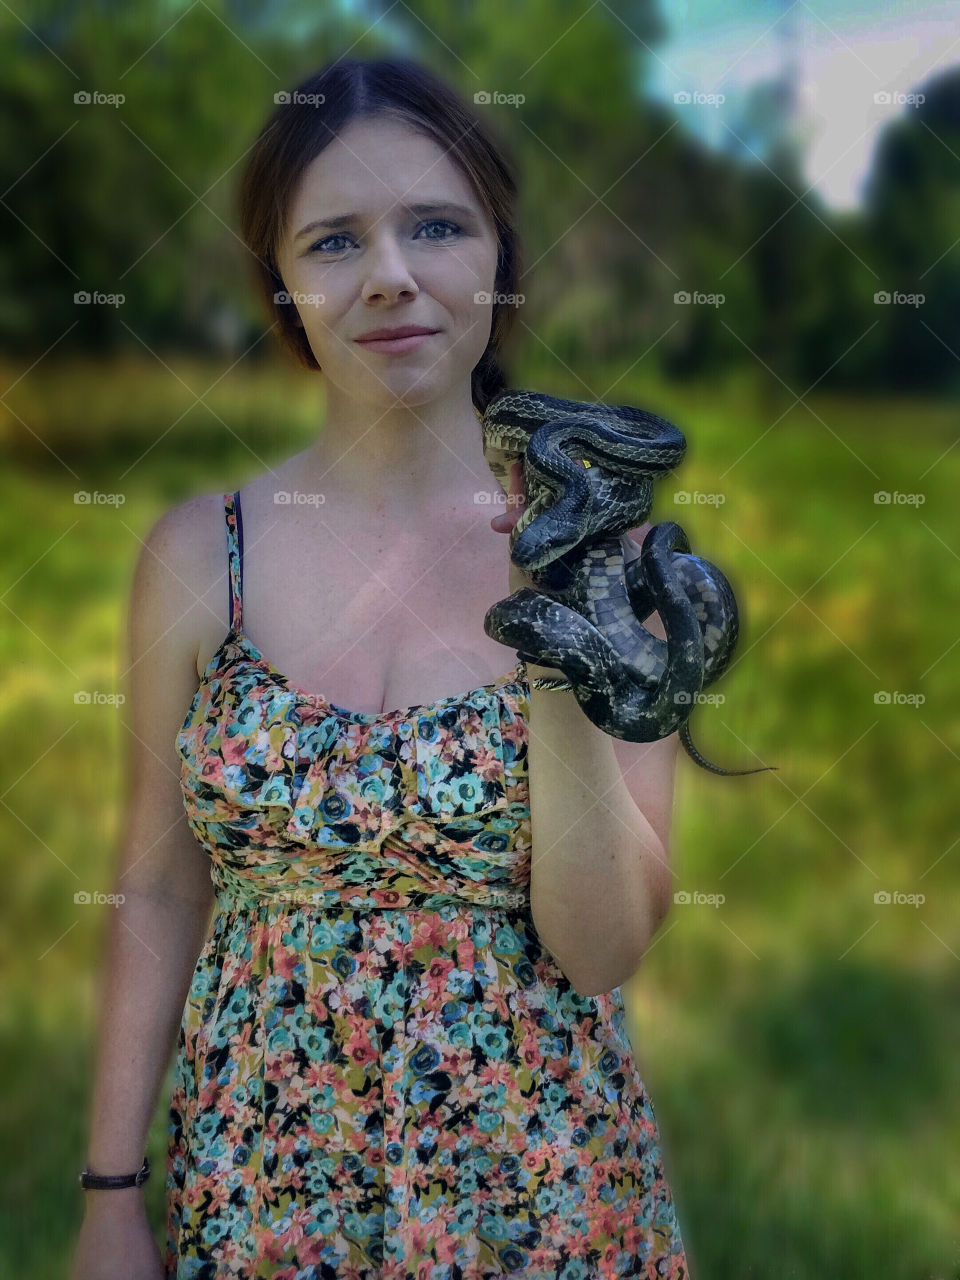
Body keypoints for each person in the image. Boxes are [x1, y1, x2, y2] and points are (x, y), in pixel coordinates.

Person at [71, 55, 689, 1279]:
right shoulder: (206, 556)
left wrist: (550, 628)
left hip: (545, 1197)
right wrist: (109, 1196)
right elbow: (158, 887)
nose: (394, 275)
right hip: (262, 1191)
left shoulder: (609, 553)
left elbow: (603, 947)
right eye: (336, 240)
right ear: (283, 284)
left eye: (436, 226)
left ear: (497, 260)